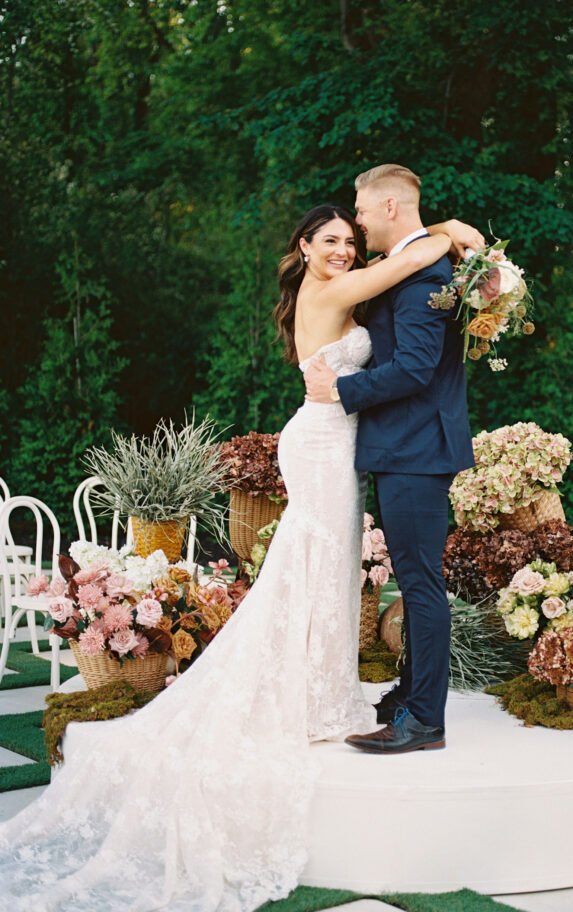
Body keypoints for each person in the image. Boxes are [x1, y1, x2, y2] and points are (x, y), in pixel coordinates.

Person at [0, 200, 481, 912]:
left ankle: (323, 684)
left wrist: (451, 262)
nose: (345, 251)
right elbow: (408, 260)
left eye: (350, 241)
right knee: (313, 563)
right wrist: (452, 234)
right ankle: (306, 690)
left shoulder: (347, 286)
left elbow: (398, 276)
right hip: (322, 441)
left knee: (325, 567)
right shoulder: (328, 290)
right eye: (331, 241)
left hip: (341, 441)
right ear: (306, 248)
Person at [304, 164, 475, 754]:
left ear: (392, 209)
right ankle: (408, 697)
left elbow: (415, 369)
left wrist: (343, 392)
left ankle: (425, 720)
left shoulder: (424, 272)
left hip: (416, 450)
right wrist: (449, 228)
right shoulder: (415, 265)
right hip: (405, 448)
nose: (358, 220)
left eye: (363, 210)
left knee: (421, 585)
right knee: (414, 580)